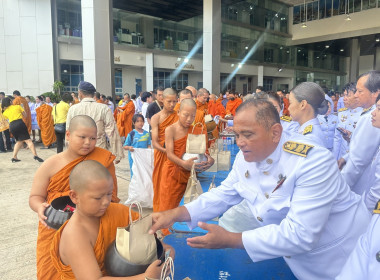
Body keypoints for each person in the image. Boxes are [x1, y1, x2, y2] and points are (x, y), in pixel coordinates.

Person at [149, 98, 370, 280]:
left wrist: (231, 239)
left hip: (341, 259)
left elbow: (301, 234)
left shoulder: (312, 161)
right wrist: (175, 214)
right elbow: (224, 194)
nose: (239, 142)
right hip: (297, 261)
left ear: (275, 133)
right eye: (237, 134)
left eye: (248, 134)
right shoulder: (247, 159)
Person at [29, 115, 120, 280]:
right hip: (54, 223)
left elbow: (111, 196)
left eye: (93, 138)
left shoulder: (103, 161)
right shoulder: (51, 164)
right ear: (68, 135)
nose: (88, 142)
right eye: (82, 137)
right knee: (52, 272)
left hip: (91, 226)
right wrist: (39, 206)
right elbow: (35, 196)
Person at [49, 160, 170, 280]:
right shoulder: (75, 235)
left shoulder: (117, 211)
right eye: (98, 198)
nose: (106, 201)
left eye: (108, 194)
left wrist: (164, 250)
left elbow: (143, 238)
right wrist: (146, 277)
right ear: (75, 196)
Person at [157, 99, 213, 235]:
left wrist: (210, 160)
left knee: (188, 206)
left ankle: (183, 236)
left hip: (190, 175)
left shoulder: (197, 129)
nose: (189, 119)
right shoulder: (171, 129)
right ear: (178, 112)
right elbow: (169, 154)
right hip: (172, 174)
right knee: (169, 208)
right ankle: (167, 237)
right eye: (185, 115)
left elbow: (203, 152)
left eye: (193, 116)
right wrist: (183, 164)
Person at [338, 71, 380, 195]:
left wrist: (340, 189)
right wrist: (346, 157)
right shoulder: (368, 113)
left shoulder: (371, 118)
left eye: (360, 91)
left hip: (361, 186)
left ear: (376, 93)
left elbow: (358, 161)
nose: (356, 95)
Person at [66, 81, 124, 164]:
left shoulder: (73, 109)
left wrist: (69, 153)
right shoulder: (104, 108)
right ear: (93, 94)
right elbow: (112, 131)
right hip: (99, 149)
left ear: (80, 93)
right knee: (99, 175)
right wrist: (117, 154)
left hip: (79, 150)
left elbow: (68, 132)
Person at [150, 88, 179, 212]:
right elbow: (155, 142)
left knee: (173, 185)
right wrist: (167, 151)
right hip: (162, 155)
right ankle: (160, 212)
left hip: (176, 156)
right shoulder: (156, 118)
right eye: (169, 101)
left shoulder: (178, 116)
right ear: (162, 100)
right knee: (160, 184)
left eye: (174, 101)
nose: (172, 105)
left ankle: (172, 213)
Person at [2, 97, 43, 162]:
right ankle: (35, 155)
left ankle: (14, 157)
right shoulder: (18, 107)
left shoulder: (4, 112)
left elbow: (7, 119)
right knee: (28, 141)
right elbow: (25, 115)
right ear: (10, 102)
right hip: (20, 123)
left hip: (12, 126)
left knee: (19, 141)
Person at [288, 82, 329, 148]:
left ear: (303, 105)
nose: (288, 108)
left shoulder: (310, 138)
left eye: (290, 102)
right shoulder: (305, 131)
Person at [333, 83, 362, 160]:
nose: (344, 99)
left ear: (357, 96)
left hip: (357, 159)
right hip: (342, 157)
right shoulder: (342, 114)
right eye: (344, 95)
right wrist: (335, 159)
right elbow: (337, 139)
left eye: (348, 95)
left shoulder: (365, 115)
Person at [123, 114, 151, 178]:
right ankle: (134, 186)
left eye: (142, 121)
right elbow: (125, 146)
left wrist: (149, 150)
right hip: (134, 158)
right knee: (135, 173)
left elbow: (148, 145)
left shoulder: (147, 134)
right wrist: (129, 148)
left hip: (144, 157)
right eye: (138, 121)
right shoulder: (131, 134)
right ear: (133, 123)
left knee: (144, 173)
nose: (140, 123)